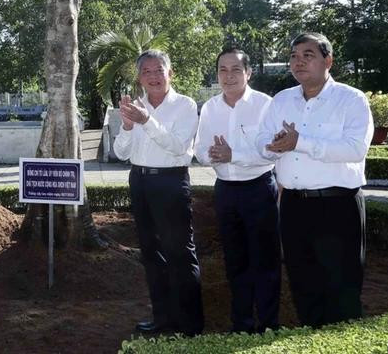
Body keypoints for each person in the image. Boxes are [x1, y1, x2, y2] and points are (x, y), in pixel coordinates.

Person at [257, 32, 373, 327]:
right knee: (303, 284)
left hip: (338, 205)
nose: (298, 62)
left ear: (328, 60)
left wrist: (301, 142)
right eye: (294, 56)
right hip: (294, 206)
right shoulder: (281, 100)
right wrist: (271, 145)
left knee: (342, 288)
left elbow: (356, 149)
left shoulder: (351, 99)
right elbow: (261, 140)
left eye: (308, 55)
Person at [113, 49, 204, 337]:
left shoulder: (186, 105)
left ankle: (190, 325)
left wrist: (146, 121)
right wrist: (127, 127)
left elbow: (178, 147)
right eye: (146, 72)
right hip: (139, 181)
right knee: (151, 255)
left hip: (170, 182)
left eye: (158, 70)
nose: (153, 76)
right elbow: (120, 152)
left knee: (179, 253)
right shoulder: (135, 106)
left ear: (170, 72)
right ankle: (163, 318)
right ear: (139, 77)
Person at [194, 48, 281, 333]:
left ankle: (268, 325)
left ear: (248, 73)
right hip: (225, 192)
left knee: (265, 261)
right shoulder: (210, 108)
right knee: (235, 261)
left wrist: (234, 154)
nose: (228, 76)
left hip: (259, 189)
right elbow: (199, 150)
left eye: (235, 70)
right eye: (222, 70)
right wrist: (214, 155)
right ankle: (241, 324)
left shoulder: (265, 105)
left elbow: (272, 152)